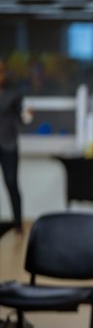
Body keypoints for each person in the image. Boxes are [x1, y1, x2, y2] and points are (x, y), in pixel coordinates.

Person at [0, 59, 29, 234]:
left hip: (8, 143)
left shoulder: (14, 94)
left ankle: (18, 223)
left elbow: (23, 118)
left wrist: (28, 116)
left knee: (11, 182)